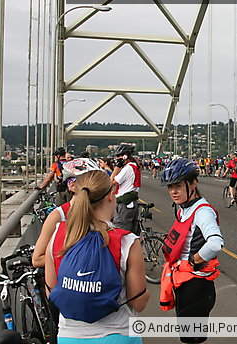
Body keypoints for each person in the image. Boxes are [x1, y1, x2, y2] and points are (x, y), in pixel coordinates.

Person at [45, 169, 149, 344]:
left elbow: (52, 291)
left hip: (70, 336)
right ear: (110, 196)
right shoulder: (127, 242)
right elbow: (138, 303)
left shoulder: (58, 234)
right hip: (119, 335)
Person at [159, 159, 224, 344]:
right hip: (184, 281)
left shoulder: (203, 212)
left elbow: (215, 244)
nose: (173, 191)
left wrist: (193, 261)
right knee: (188, 337)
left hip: (196, 286)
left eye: (178, 186)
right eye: (170, 187)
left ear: (193, 183)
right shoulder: (184, 208)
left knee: (191, 339)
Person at [32, 158, 102, 268]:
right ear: (71, 185)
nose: (94, 186)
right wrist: (79, 256)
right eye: (87, 181)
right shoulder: (58, 216)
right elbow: (37, 259)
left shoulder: (100, 210)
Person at [111, 145, 142, 235]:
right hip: (130, 204)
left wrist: (117, 168)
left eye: (119, 156)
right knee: (131, 233)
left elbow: (111, 182)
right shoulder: (134, 166)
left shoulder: (128, 168)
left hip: (125, 204)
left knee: (120, 232)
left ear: (125, 156)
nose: (117, 158)